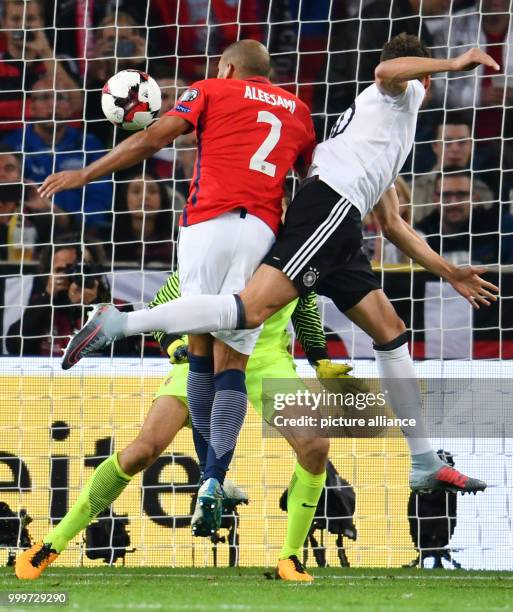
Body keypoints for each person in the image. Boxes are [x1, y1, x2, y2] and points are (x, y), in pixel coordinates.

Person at [50, 36, 499, 501]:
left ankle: (424, 461)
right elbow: (386, 71)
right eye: (424, 75)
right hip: (326, 207)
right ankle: (122, 321)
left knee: (391, 331)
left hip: (341, 221)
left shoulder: (381, 135)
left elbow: (391, 224)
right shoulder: (392, 92)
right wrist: (457, 58)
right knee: (249, 312)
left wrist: (449, 271)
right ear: (420, 75)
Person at [39, 39, 317, 542]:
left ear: (228, 67)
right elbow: (311, 183)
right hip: (262, 231)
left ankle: (123, 321)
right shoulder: (298, 110)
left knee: (198, 351)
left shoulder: (209, 89)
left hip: (207, 223)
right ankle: (212, 479)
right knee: (230, 361)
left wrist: (86, 173)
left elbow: (152, 140)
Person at [15, 271, 364, 582]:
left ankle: (289, 557)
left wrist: (319, 358)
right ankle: (52, 544)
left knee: (316, 445)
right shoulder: (216, 243)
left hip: (267, 359)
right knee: (142, 451)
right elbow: (160, 307)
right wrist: (174, 344)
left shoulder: (292, 248)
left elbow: (304, 306)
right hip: (200, 359)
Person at [2, 76, 112, 233]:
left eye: (60, 97)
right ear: (31, 106)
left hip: (79, 233)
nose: (53, 105)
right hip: (24, 232)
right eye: (45, 97)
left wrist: (78, 224)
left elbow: (100, 197)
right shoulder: (12, 145)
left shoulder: (90, 145)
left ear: (70, 106)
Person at [5, 242, 137, 357]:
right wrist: (47, 298)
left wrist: (94, 308)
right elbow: (14, 348)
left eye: (82, 268)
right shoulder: (40, 309)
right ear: (47, 273)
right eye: (63, 269)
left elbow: (123, 355)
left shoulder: (119, 308)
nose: (75, 274)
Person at [0, 0, 82, 132]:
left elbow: (76, 105)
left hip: (58, 148)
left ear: (42, 22)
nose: (23, 25)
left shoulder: (63, 62)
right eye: (15, 19)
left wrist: (45, 52)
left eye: (31, 18)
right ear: (3, 24)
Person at [416, 168, 513, 265]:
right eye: (446, 195)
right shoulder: (421, 234)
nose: (454, 203)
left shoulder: (500, 227)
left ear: (474, 197)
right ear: (435, 198)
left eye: (461, 194)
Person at [410, 111, 495, 221]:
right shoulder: (412, 190)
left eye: (462, 142)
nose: (455, 149)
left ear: (471, 146)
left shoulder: (484, 193)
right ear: (435, 146)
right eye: (447, 142)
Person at [111, 172, 180, 267]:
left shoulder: (179, 242)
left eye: (152, 191)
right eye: (136, 191)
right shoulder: (108, 241)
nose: (144, 197)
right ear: (124, 198)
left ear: (162, 199)